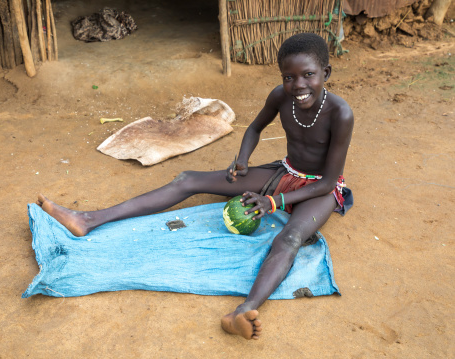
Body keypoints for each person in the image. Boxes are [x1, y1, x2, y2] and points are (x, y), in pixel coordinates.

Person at [37, 32, 354, 340]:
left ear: (325, 72)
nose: (297, 85)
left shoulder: (341, 113)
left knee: (290, 238)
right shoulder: (280, 96)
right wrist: (242, 159)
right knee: (188, 179)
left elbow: (326, 182)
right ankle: (88, 220)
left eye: (308, 75)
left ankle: (242, 311)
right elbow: (255, 128)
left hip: (319, 190)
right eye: (289, 77)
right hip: (285, 172)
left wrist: (273, 203)